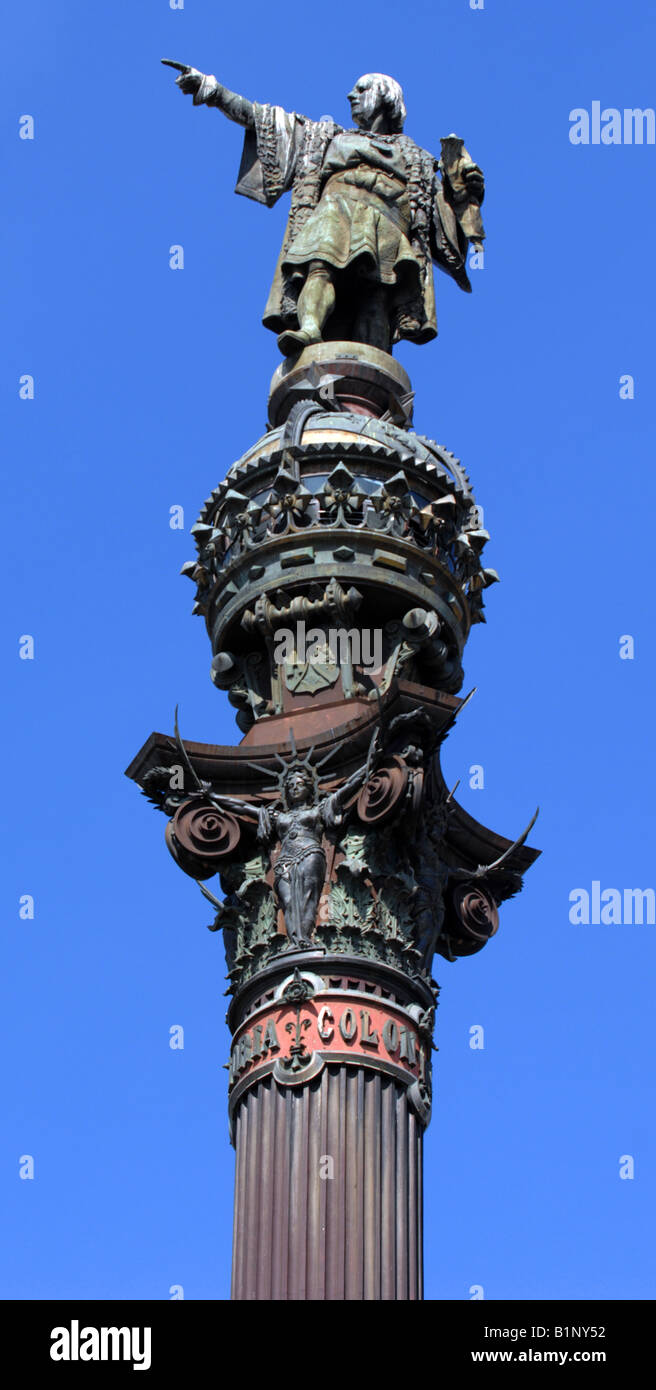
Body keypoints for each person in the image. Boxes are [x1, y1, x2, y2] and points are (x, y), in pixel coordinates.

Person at [163, 63, 485, 356]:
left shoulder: (417, 158)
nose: (351, 95)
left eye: (361, 90)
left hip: (389, 225)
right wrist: (213, 91)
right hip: (336, 212)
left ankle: (373, 363)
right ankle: (310, 329)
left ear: (385, 98)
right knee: (320, 267)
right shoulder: (325, 136)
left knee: (377, 297)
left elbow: (447, 222)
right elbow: (262, 119)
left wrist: (465, 189)